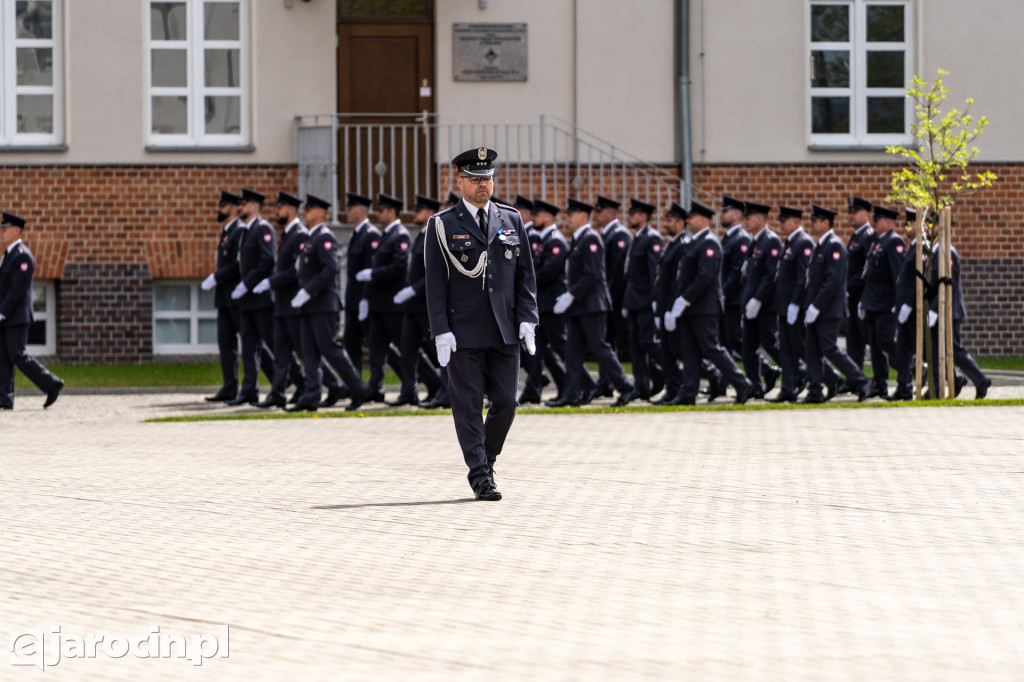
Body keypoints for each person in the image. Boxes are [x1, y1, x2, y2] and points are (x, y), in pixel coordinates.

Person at [424, 147, 539, 501]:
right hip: (464, 331)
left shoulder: (511, 219)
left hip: (504, 328)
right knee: (469, 405)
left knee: (507, 401)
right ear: (460, 182)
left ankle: (486, 458)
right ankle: (480, 476)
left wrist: (528, 318)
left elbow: (525, 276)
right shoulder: (442, 224)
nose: (483, 186)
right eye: (475, 179)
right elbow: (435, 282)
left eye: (487, 178)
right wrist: (441, 329)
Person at [256, 191, 344, 409]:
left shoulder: (300, 234)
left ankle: (333, 385)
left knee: (307, 353)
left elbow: (296, 273)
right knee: (282, 353)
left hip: (296, 303)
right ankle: (278, 393)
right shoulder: (289, 234)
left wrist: (271, 282)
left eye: (280, 207)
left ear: (291, 209)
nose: (277, 211)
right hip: (283, 304)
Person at [547, 198, 637, 408]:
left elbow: (592, 274)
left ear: (581, 216)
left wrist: (571, 294)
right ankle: (571, 393)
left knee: (599, 346)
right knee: (572, 350)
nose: (567, 219)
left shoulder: (591, 239)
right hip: (580, 305)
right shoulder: (580, 239)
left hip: (592, 304)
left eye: (570, 215)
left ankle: (626, 387)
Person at [664, 199, 753, 405]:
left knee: (711, 348)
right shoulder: (696, 242)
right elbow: (684, 276)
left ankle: (742, 383)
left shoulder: (709, 243)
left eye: (691, 217)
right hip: (690, 308)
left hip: (704, 307)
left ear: (703, 219)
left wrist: (683, 299)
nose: (688, 220)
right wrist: (678, 303)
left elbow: (704, 276)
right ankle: (688, 393)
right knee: (690, 351)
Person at [288, 194, 372, 412]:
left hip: (323, 305)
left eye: (308, 210)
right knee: (309, 353)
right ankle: (311, 395)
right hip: (310, 305)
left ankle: (358, 388)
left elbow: (329, 270)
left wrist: (307, 291)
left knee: (330, 350)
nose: (304, 214)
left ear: (319, 213)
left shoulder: (324, 237)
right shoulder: (310, 237)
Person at [802, 204, 871, 403]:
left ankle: (861, 381)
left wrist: (817, 306)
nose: (812, 224)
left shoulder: (834, 245)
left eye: (815, 220)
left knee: (829, 348)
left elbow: (832, 281)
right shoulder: (821, 245)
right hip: (816, 307)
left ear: (826, 222)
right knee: (812, 349)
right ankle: (815, 389)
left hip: (828, 309)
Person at [0, 212, 63, 409]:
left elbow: (17, 290)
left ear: (16, 231)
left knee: (17, 355)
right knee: (3, 357)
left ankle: (51, 383)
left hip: (16, 317)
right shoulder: (8, 255)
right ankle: (4, 398)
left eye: (5, 229)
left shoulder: (23, 256)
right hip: (6, 316)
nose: (1, 232)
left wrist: (2, 312)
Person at [390, 194, 446, 407]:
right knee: (407, 350)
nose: (415, 214)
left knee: (438, 350)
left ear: (430, 213)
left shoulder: (435, 236)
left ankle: (445, 392)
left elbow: (435, 273)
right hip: (413, 307)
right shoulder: (421, 236)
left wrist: (414, 289)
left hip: (427, 305)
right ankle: (408, 392)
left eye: (419, 210)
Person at [356, 193, 412, 403]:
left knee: (403, 348)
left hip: (393, 303)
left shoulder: (400, 235)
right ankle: (375, 388)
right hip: (379, 304)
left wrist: (372, 274)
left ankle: (411, 388)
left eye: (381, 210)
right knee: (376, 349)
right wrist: (366, 297)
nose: (377, 214)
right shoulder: (385, 235)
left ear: (391, 212)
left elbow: (398, 267)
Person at [227, 188, 278, 406]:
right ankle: (249, 390)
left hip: (261, 298)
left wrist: (248, 284)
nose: (240, 207)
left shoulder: (263, 229)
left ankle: (284, 385)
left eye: (244, 204)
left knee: (274, 345)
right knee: (248, 347)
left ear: (255, 207)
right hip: (247, 300)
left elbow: (267, 261)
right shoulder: (246, 231)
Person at [520, 198, 570, 404]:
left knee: (561, 347)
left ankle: (582, 385)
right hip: (542, 303)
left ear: (548, 216)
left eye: (537, 214)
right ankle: (533, 390)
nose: (533, 218)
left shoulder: (556, 240)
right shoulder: (543, 239)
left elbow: (548, 271)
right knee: (536, 350)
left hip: (552, 304)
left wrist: (525, 280)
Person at [928, 240, 991, 399]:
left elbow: (948, 284)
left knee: (953, 348)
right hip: (937, 309)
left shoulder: (947, 252)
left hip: (949, 309)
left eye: (930, 226)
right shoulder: (933, 252)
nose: (926, 231)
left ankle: (980, 379)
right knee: (936, 349)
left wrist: (935, 310)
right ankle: (937, 387)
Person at [201, 190, 245, 402]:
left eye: (223, 205)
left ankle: (280, 378)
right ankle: (230, 386)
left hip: (236, 295)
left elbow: (238, 265)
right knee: (225, 343)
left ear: (235, 208)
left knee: (251, 341)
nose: (219, 209)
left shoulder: (239, 231)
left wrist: (216, 277)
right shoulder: (228, 232)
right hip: (225, 297)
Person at [772, 206, 818, 402]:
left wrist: (796, 303)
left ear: (796, 222)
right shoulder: (790, 242)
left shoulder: (803, 242)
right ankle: (787, 389)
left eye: (785, 220)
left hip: (795, 306)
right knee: (786, 350)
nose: (781, 224)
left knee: (800, 348)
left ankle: (828, 379)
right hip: (784, 305)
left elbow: (804, 278)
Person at [621, 198, 664, 400]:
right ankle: (642, 386)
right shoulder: (637, 238)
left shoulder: (652, 238)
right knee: (636, 346)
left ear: (643, 216)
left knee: (649, 343)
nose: (629, 217)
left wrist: (655, 301)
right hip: (634, 302)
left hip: (646, 301)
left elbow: (655, 272)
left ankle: (674, 372)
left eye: (633, 214)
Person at [858, 204, 904, 398]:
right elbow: (869, 274)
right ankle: (879, 382)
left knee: (885, 341)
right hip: (873, 302)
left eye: (878, 221)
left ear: (888, 222)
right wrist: (864, 300)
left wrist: (898, 302)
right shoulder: (878, 242)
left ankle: (910, 369)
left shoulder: (894, 242)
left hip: (887, 303)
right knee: (875, 344)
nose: (874, 224)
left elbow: (898, 275)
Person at [739, 201, 782, 397]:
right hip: (751, 304)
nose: (744, 221)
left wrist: (757, 299)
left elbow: (770, 275)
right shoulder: (755, 241)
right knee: (748, 348)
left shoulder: (771, 240)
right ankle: (754, 387)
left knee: (770, 343)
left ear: (758, 219)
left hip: (765, 304)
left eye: (748, 218)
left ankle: (797, 373)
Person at [652, 202, 690, 404]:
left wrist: (672, 309)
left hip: (674, 308)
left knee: (679, 350)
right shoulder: (672, 244)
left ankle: (710, 377)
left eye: (669, 220)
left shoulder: (683, 245)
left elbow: (678, 281)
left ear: (680, 222)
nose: (665, 223)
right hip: (664, 305)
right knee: (667, 351)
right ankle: (672, 388)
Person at [595, 195, 631, 396]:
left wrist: (609, 298)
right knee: (607, 341)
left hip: (616, 299)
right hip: (609, 299)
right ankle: (605, 383)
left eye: (600, 211)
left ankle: (656, 377)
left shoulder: (619, 235)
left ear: (610, 213)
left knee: (628, 341)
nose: (597, 215)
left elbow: (617, 273)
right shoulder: (606, 234)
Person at [342, 192, 380, 381]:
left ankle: (375, 386)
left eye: (350, 208)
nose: (346, 211)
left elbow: (370, 272)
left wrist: (365, 299)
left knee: (375, 345)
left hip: (365, 301)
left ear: (360, 210)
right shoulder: (356, 234)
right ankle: (355, 383)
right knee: (351, 344)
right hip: (352, 302)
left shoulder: (371, 234)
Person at [890, 207, 920, 401]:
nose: (906, 227)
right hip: (904, 309)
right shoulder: (912, 247)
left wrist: (908, 304)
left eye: (911, 222)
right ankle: (904, 387)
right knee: (903, 351)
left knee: (923, 350)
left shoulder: (921, 248)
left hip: (913, 310)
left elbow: (919, 281)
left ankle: (955, 377)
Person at [844, 196, 876, 373]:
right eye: (850, 212)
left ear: (866, 215)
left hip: (862, 295)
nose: (851, 215)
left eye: (855, 212)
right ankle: (854, 378)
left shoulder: (868, 236)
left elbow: (867, 267)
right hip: (852, 296)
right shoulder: (856, 237)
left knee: (869, 339)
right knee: (853, 339)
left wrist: (850, 286)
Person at [719, 195, 749, 361]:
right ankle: (723, 383)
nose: (721, 215)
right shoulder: (728, 238)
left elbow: (737, 271)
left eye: (725, 211)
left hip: (734, 299)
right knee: (723, 342)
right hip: (725, 299)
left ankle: (764, 368)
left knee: (735, 339)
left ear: (736, 214)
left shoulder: (742, 238)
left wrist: (723, 293)